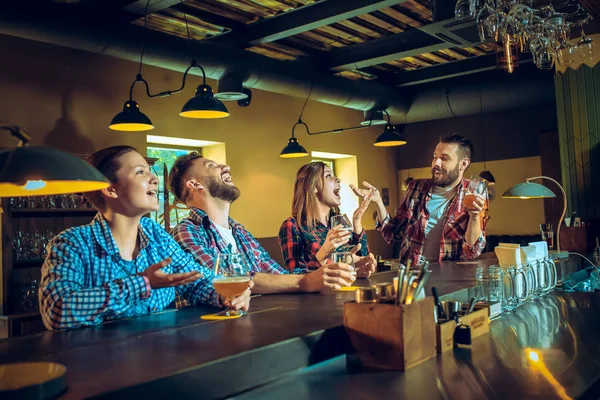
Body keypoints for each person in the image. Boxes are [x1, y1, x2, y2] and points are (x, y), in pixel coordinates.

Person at [39, 146, 251, 331]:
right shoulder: (72, 243)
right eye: (140, 172)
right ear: (110, 189)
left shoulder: (155, 234)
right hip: (99, 368)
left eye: (150, 171)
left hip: (162, 360)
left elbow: (195, 280)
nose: (154, 178)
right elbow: (57, 310)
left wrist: (225, 296)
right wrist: (143, 283)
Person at [169, 153, 358, 293]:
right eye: (211, 165)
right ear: (194, 185)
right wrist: (306, 281)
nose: (225, 167)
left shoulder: (239, 231)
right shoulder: (186, 231)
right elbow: (226, 281)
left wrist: (337, 272)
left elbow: (278, 275)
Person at [355, 134, 487, 265]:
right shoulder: (415, 188)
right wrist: (378, 201)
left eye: (444, 159)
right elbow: (393, 233)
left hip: (449, 278)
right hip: (412, 275)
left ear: (463, 163)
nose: (436, 163)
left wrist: (474, 216)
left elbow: (472, 252)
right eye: (434, 157)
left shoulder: (475, 192)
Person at [278, 162, 376, 276]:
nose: (338, 179)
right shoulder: (292, 226)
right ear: (313, 186)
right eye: (328, 175)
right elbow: (294, 276)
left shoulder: (339, 223)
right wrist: (324, 252)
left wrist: (357, 221)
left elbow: (359, 260)